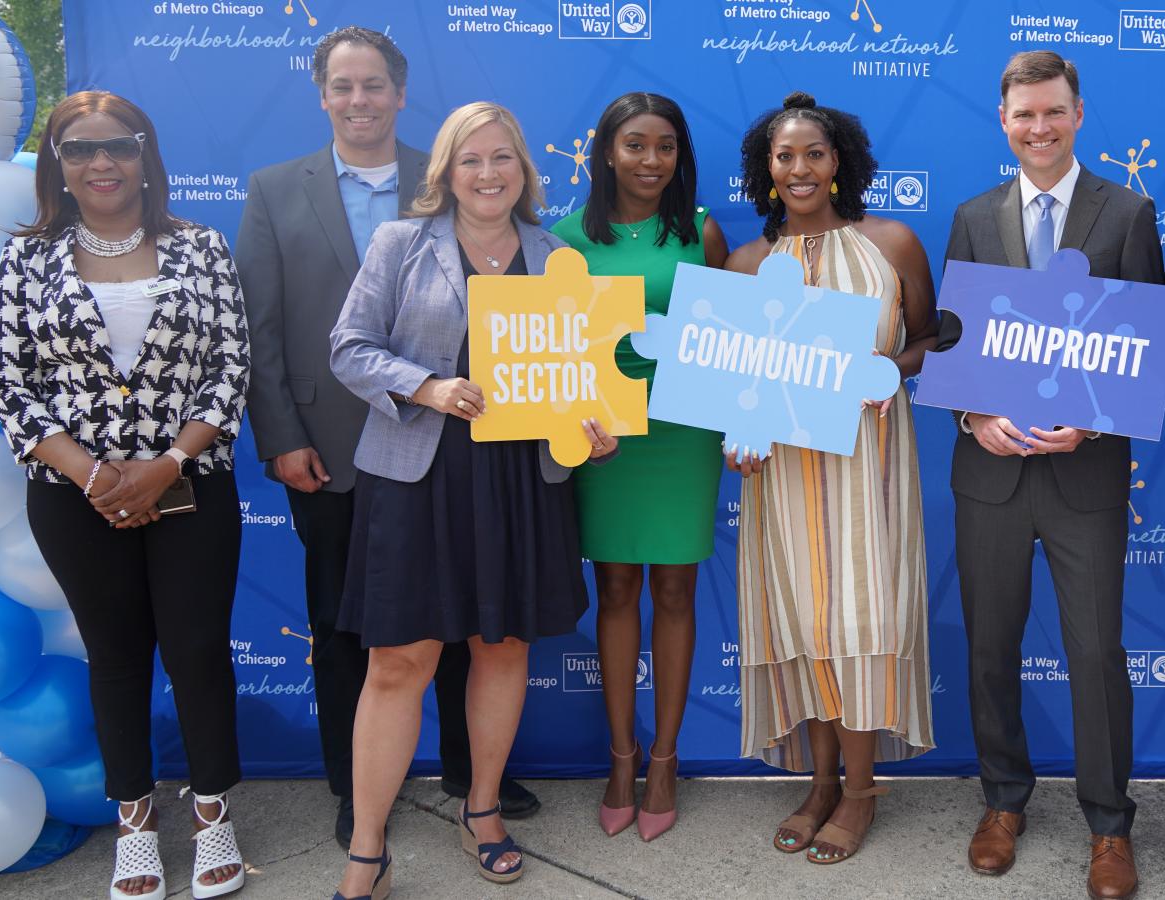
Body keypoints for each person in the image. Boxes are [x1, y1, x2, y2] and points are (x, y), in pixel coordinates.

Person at [235, 26, 539, 851]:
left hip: (488, 458)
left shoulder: (456, 189)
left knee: (475, 628)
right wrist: (281, 436)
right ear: (324, 94)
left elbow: (554, 360)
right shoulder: (274, 189)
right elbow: (264, 326)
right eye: (344, 86)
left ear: (401, 94)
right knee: (354, 634)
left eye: (375, 85)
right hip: (337, 451)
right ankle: (356, 792)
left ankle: (470, 779)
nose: (360, 99)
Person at [326, 101, 618, 898]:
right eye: (471, 161)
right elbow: (348, 349)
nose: (488, 175)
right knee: (399, 661)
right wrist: (425, 384)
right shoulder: (400, 244)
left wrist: (595, 426)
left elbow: (579, 383)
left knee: (504, 648)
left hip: (522, 479)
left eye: (503, 160)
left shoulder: (559, 257)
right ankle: (370, 845)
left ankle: (482, 810)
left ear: (524, 170)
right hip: (419, 477)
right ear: (445, 173)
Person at [0, 91, 249, 900]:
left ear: (145, 153)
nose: (99, 162)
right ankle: (134, 823)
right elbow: (12, 380)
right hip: (76, 496)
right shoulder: (23, 259)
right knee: (115, 657)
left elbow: (229, 368)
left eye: (117, 145)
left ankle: (213, 812)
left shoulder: (204, 248)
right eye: (78, 149)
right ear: (59, 168)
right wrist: (96, 476)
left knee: (199, 652)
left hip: (190, 485)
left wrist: (166, 463)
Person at [936, 51, 1159, 899]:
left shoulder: (1128, 212)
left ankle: (1109, 825)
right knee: (990, 646)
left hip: (1085, 476)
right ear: (1003, 120)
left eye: (1054, 112)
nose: (1040, 128)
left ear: (1077, 114)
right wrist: (972, 418)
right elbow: (951, 343)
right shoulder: (971, 216)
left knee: (1096, 652)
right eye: (1024, 114)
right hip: (988, 472)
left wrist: (1095, 420)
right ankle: (1003, 803)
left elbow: (1144, 352)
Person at [727, 91, 936, 865]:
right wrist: (737, 429)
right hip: (781, 477)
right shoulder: (747, 264)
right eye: (785, 156)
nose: (800, 168)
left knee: (858, 626)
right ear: (767, 170)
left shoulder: (892, 244)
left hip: (869, 470)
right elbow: (732, 379)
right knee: (804, 625)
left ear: (839, 160)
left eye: (814, 153)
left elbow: (931, 338)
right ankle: (817, 784)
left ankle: (858, 791)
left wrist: (887, 366)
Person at [549, 92, 728, 842]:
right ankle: (620, 759)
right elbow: (549, 356)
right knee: (616, 586)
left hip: (683, 433)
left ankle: (664, 759)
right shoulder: (563, 238)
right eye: (635, 145)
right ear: (606, 153)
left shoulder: (702, 232)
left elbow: (726, 344)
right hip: (603, 437)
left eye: (665, 147)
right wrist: (573, 421)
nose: (650, 161)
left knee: (678, 590)